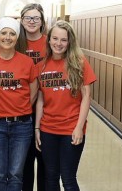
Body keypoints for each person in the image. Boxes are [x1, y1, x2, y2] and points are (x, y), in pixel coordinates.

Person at [0, 17, 38, 191]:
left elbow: (33, 91)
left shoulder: (27, 62)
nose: (8, 37)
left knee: (16, 173)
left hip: (22, 125)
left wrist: (21, 108)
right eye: (4, 33)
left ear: (17, 38)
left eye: (12, 33)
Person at [35, 20, 96, 191]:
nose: (58, 43)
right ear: (49, 40)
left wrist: (79, 128)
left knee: (68, 178)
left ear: (70, 42)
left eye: (63, 40)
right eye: (55, 38)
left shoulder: (79, 62)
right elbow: (40, 99)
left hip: (71, 129)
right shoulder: (42, 65)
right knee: (50, 178)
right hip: (48, 130)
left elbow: (86, 97)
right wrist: (37, 128)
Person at [16, 3, 47, 191]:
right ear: (21, 20)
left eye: (36, 18)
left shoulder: (49, 42)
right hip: (22, 107)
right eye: (28, 18)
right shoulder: (15, 42)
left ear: (42, 21)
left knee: (44, 159)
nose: (32, 21)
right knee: (25, 161)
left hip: (46, 106)